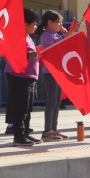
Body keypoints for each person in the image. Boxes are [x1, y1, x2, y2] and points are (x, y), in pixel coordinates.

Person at [5, 9, 41, 146]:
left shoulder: (27, 37)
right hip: (19, 76)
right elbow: (14, 56)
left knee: (28, 107)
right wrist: (32, 55)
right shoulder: (17, 37)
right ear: (25, 24)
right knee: (20, 107)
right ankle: (18, 136)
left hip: (29, 76)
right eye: (34, 24)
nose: (36, 26)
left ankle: (25, 133)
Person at [37, 11, 69, 141]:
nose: (60, 25)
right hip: (50, 73)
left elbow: (66, 39)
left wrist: (66, 31)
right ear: (49, 23)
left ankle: (53, 129)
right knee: (51, 102)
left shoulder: (57, 34)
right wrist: (67, 33)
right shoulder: (45, 35)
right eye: (58, 22)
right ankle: (47, 131)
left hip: (58, 71)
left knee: (57, 102)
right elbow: (58, 42)